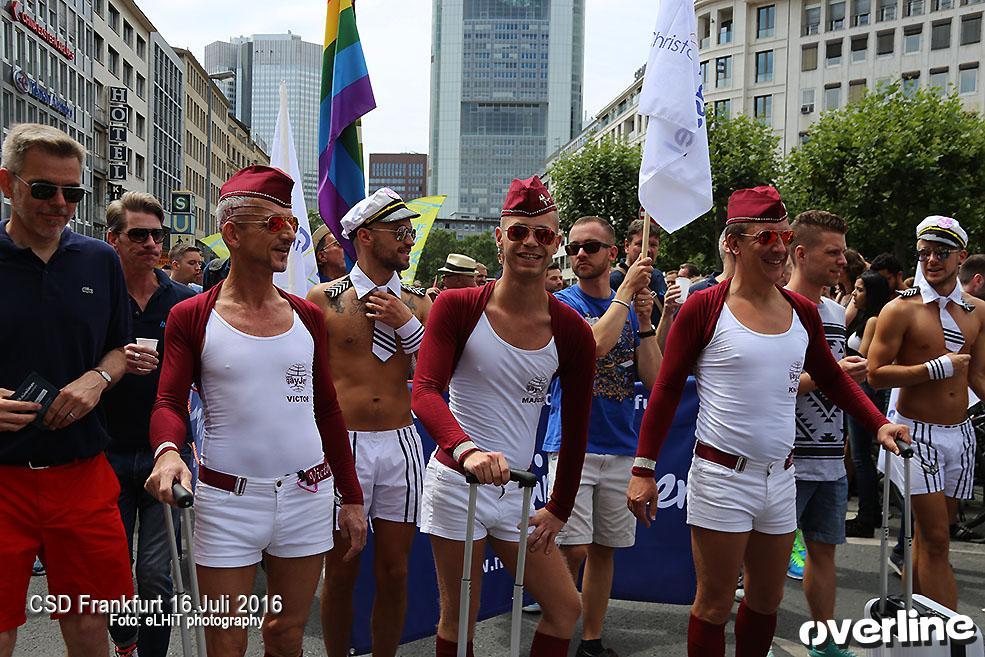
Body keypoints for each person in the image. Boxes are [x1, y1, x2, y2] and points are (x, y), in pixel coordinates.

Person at [627, 186, 907, 657]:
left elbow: (833, 380)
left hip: (781, 479)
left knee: (766, 600)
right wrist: (643, 468)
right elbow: (668, 388)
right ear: (734, 242)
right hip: (721, 478)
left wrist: (878, 422)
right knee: (714, 605)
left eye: (783, 235)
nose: (779, 247)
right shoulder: (705, 306)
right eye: (766, 237)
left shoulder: (803, 311)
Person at [145, 165, 367, 657]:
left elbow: (327, 410)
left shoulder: (308, 314)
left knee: (286, 635)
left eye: (292, 224)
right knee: (226, 639)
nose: (288, 233)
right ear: (231, 233)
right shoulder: (192, 314)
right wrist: (166, 453)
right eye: (273, 223)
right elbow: (168, 401)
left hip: (308, 494)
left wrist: (350, 496)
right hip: (227, 503)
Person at [412, 175, 596, 657]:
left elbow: (577, 427)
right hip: (458, 483)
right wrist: (466, 449)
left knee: (565, 609)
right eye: (519, 232)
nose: (530, 243)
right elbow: (426, 393)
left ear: (555, 244)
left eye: (544, 234)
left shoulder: (571, 331)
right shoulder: (456, 306)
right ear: (500, 238)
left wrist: (560, 505)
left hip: (519, 493)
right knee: (459, 618)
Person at [0, 123, 132, 657]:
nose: (60, 204)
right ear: (7, 183)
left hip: (80, 474)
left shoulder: (99, 260)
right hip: (1, 479)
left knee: (87, 625)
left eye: (73, 193)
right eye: (43, 189)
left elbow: (120, 349)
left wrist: (96, 380)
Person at [307, 188, 432, 657]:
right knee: (340, 570)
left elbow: (436, 378)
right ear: (363, 236)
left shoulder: (420, 303)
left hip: (401, 443)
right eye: (398, 231)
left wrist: (407, 325)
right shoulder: (324, 299)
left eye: (410, 230)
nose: (408, 239)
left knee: (396, 571)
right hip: (345, 445)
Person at [544, 216, 661, 657]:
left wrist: (646, 324)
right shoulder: (563, 302)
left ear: (612, 253)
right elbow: (591, 346)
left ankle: (591, 640)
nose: (580, 255)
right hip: (573, 445)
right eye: (573, 247)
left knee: (604, 550)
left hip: (620, 447)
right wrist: (627, 294)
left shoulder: (628, 309)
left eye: (592, 247)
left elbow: (653, 379)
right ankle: (554, 635)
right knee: (570, 551)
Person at [867, 215, 984, 610]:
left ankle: (920, 622)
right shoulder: (900, 310)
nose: (931, 259)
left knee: (934, 536)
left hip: (961, 433)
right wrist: (934, 368)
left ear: (960, 257)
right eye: (925, 252)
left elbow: (979, 375)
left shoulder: (977, 310)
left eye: (941, 252)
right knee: (935, 539)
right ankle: (948, 634)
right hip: (915, 435)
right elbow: (876, 374)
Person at [104, 192, 197, 657]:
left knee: (157, 572)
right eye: (138, 235)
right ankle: (124, 639)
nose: (150, 243)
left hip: (166, 454)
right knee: (113, 570)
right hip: (105, 451)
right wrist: (112, 364)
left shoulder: (183, 301)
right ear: (113, 239)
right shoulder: (96, 296)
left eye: (157, 235)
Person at [785, 211, 864, 657]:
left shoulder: (835, 311)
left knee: (823, 554)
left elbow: (834, 379)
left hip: (831, 457)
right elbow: (774, 381)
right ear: (801, 253)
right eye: (832, 252)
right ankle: (763, 640)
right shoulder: (777, 307)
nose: (842, 261)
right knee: (769, 560)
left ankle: (824, 642)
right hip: (786, 458)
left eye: (842, 251)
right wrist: (833, 377)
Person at [843, 271, 894, 539]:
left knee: (861, 456)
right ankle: (868, 511)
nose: (854, 293)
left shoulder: (874, 319)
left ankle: (867, 514)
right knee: (859, 454)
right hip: (860, 388)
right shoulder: (865, 317)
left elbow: (863, 358)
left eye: (860, 290)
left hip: (863, 389)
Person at [610, 216, 667, 301]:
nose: (647, 250)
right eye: (640, 244)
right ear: (627, 246)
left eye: (653, 245)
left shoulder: (658, 276)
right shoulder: (613, 281)